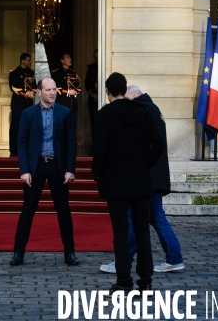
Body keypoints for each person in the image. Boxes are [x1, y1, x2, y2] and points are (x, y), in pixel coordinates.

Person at [100, 85, 185, 275]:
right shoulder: (152, 109)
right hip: (155, 175)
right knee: (155, 218)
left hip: (149, 176)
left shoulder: (144, 110)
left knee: (137, 220)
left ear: (137, 95)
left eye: (128, 99)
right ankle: (174, 258)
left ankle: (123, 261)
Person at [91, 73, 164, 293]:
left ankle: (124, 282)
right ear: (124, 89)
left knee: (121, 233)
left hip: (116, 182)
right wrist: (146, 163)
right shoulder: (144, 112)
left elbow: (100, 150)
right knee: (142, 232)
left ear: (107, 91)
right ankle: (146, 281)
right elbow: (159, 142)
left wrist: (99, 172)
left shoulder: (104, 115)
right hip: (141, 180)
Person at [10, 77, 80, 267]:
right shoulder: (28, 113)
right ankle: (18, 252)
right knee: (28, 210)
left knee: (63, 210)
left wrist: (69, 169)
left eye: (54, 89)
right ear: (39, 92)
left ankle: (70, 253)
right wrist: (24, 170)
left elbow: (71, 143)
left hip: (58, 167)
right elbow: (22, 143)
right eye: (48, 90)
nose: (52, 93)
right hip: (36, 167)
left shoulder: (65, 113)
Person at [9, 53, 36, 156]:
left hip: (28, 103)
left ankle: (28, 146)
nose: (30, 62)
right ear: (23, 61)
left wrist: (32, 92)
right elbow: (13, 87)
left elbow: (34, 85)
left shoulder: (31, 72)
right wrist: (25, 93)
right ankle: (14, 149)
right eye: (28, 60)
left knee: (28, 125)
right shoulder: (14, 72)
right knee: (16, 125)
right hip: (18, 103)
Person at [51, 54, 81, 128]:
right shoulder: (56, 73)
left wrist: (76, 92)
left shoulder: (73, 73)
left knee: (72, 128)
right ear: (62, 61)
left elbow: (79, 87)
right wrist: (67, 91)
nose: (70, 59)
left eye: (70, 57)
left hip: (73, 105)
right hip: (62, 104)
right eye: (67, 57)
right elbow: (54, 88)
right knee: (61, 129)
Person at [84, 49, 99, 143]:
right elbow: (87, 83)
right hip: (94, 100)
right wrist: (93, 94)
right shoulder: (92, 67)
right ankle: (94, 146)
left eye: (98, 57)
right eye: (95, 58)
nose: (97, 59)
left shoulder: (108, 65)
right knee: (94, 124)